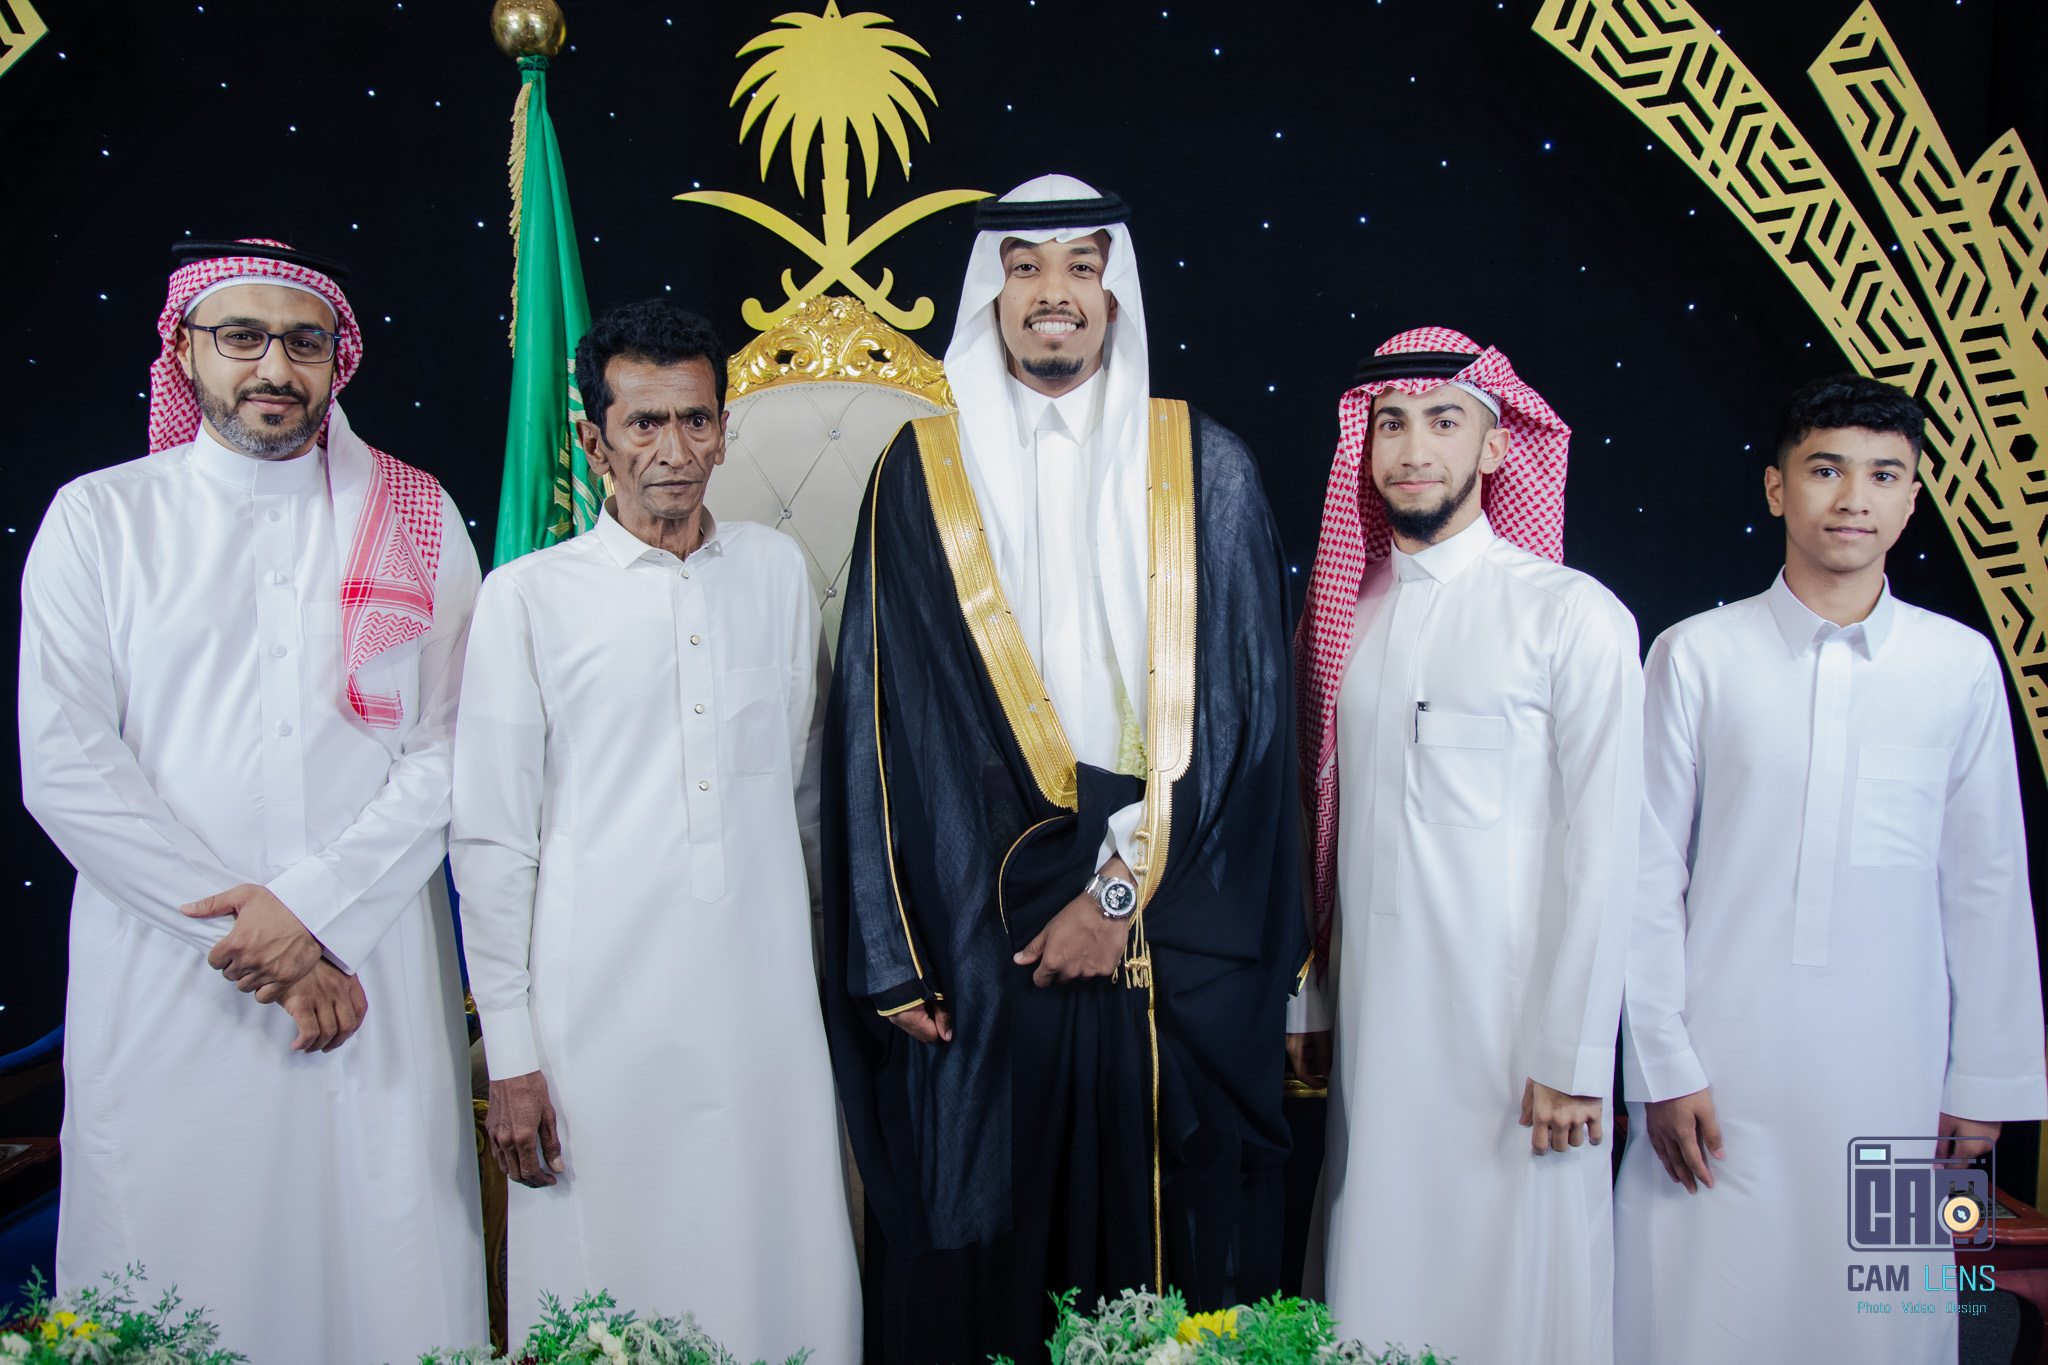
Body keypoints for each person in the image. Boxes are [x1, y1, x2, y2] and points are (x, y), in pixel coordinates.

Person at [820, 175, 1304, 1365]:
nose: (1053, 293)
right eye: (1024, 267)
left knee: (1160, 1233)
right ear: (988, 295)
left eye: (1080, 267)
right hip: (973, 916)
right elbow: (872, 718)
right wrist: (890, 956)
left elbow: (1246, 726)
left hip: (1164, 910)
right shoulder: (916, 469)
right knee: (984, 1224)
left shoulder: (1207, 467)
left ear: (1113, 292)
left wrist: (1118, 892)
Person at [18, 238, 486, 1362]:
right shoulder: (101, 518)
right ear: (185, 350)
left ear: (337, 360)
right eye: (242, 338)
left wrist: (313, 911)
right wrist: (259, 938)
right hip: (174, 971)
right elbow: (66, 762)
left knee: (381, 1267)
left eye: (303, 343)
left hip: (365, 968)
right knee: (176, 1261)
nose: (274, 368)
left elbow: (457, 746)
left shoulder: (414, 512)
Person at [451, 299, 859, 1362]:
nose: (673, 451)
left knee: (779, 1270)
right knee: (612, 1280)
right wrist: (513, 1054)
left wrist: (835, 988)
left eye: (695, 420)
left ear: (723, 432)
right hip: (597, 1025)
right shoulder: (526, 599)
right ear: (594, 440)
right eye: (643, 423)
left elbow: (808, 802)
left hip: (766, 1011)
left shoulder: (774, 572)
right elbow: (491, 842)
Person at [1613, 374, 2047, 1363]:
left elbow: (1985, 883)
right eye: (1825, 470)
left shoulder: (1958, 666)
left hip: (1899, 1077)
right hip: (1714, 1078)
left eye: (1883, 475)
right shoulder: (1696, 655)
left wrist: (1982, 1080)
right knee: (1694, 1318)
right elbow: (1640, 874)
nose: (1853, 497)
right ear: (1776, 489)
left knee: (1885, 1319)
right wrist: (1661, 1065)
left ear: (1912, 498)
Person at [1290, 327, 1640, 1364]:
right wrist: (1309, 998)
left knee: (1516, 1293)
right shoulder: (1342, 620)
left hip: (1517, 1049)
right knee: (1373, 1270)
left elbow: (1606, 846)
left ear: (1494, 447)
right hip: (1373, 1032)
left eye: (1444, 421)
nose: (1414, 449)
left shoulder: (1569, 615)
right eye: (1390, 424)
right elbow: (1315, 831)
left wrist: (1574, 1054)